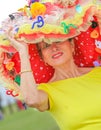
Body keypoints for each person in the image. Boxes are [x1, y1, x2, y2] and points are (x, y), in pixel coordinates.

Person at [0, 0, 101, 130]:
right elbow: (31, 100)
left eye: (58, 40)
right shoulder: (47, 90)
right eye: (46, 46)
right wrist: (23, 52)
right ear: (43, 57)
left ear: (72, 45)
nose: (54, 48)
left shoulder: (98, 73)